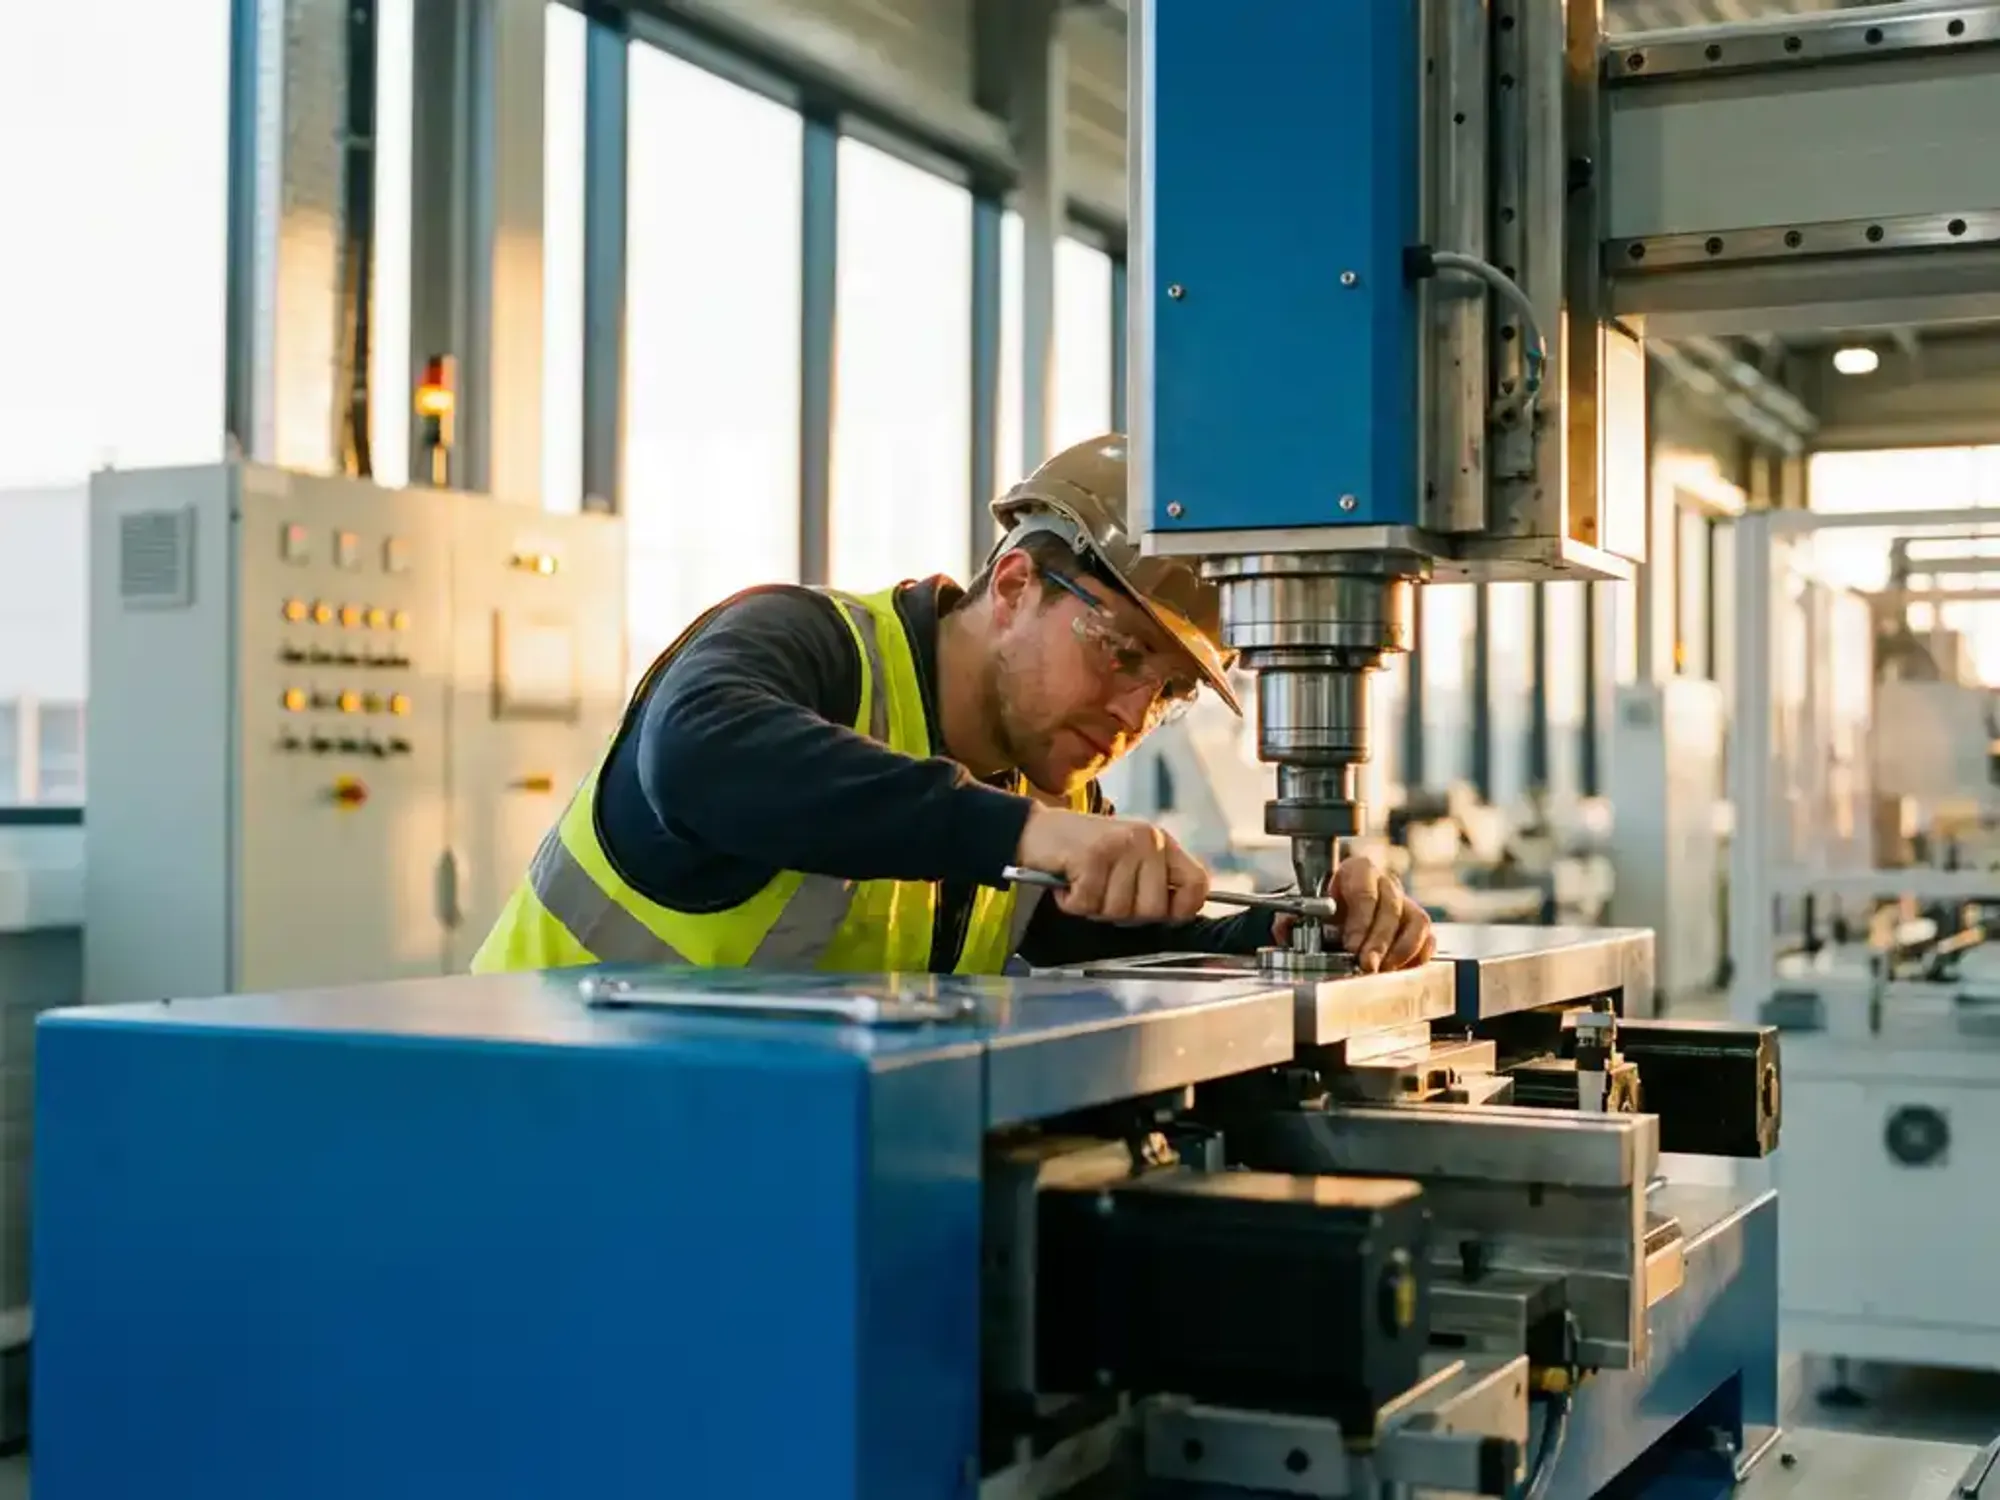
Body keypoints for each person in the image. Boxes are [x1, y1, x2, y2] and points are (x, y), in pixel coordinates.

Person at [472, 434, 1434, 977]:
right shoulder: (806, 645)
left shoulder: (1041, 792)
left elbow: (1105, 931)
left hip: (730, 1171)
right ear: (1016, 584)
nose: (1139, 707)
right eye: (1123, 652)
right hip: (531, 1135)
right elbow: (698, 759)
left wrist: (1290, 929)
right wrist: (1027, 834)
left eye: (1172, 691)